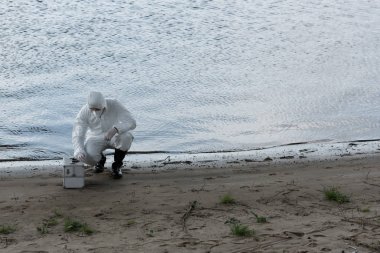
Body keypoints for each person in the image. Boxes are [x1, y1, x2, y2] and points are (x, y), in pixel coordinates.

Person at [72, 91, 136, 179]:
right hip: (94, 137)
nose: (95, 111)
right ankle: (101, 159)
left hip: (114, 135)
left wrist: (116, 129)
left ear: (104, 105)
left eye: (97, 109)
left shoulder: (114, 104)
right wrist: (79, 149)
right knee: (85, 156)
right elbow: (78, 132)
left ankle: (116, 166)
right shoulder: (84, 111)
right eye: (92, 109)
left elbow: (131, 122)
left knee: (126, 137)